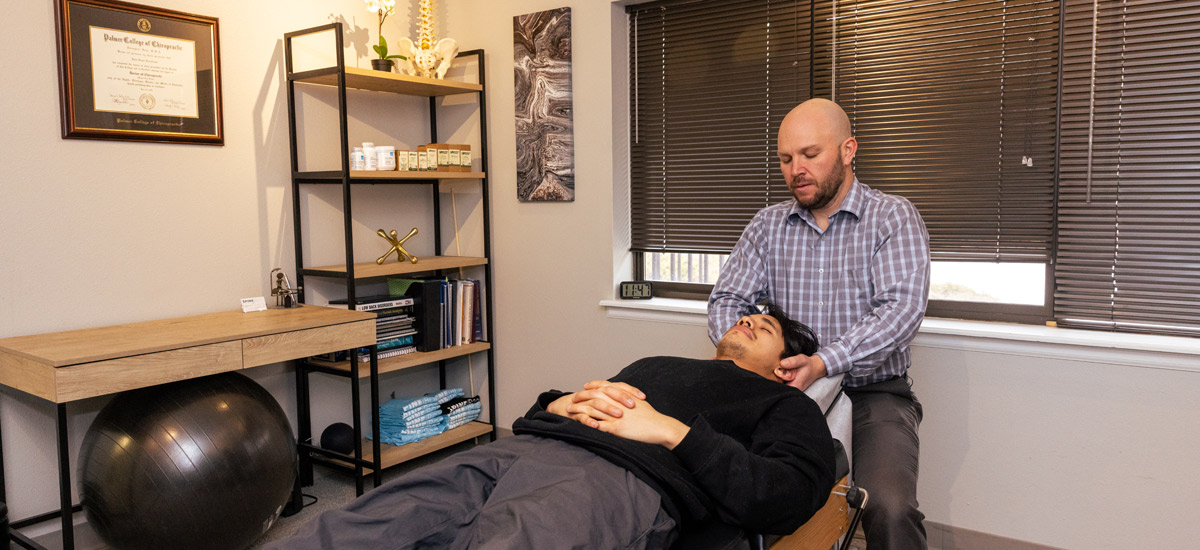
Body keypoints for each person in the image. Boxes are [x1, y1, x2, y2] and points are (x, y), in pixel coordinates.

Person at [271, 304, 836, 550]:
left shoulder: (787, 407)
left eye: (763, 327)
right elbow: (556, 405)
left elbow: (785, 496)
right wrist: (559, 402)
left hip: (623, 480)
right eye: (747, 314)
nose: (746, 320)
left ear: (786, 367)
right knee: (366, 523)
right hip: (529, 447)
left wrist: (670, 431)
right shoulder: (658, 363)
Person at [707, 98, 931, 550]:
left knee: (888, 507)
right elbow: (727, 301)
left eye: (811, 155)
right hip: (783, 388)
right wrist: (759, 360)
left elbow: (901, 311)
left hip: (872, 393)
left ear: (849, 150)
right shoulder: (767, 226)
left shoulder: (893, 217)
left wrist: (825, 362)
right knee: (721, 488)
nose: (796, 170)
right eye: (787, 159)